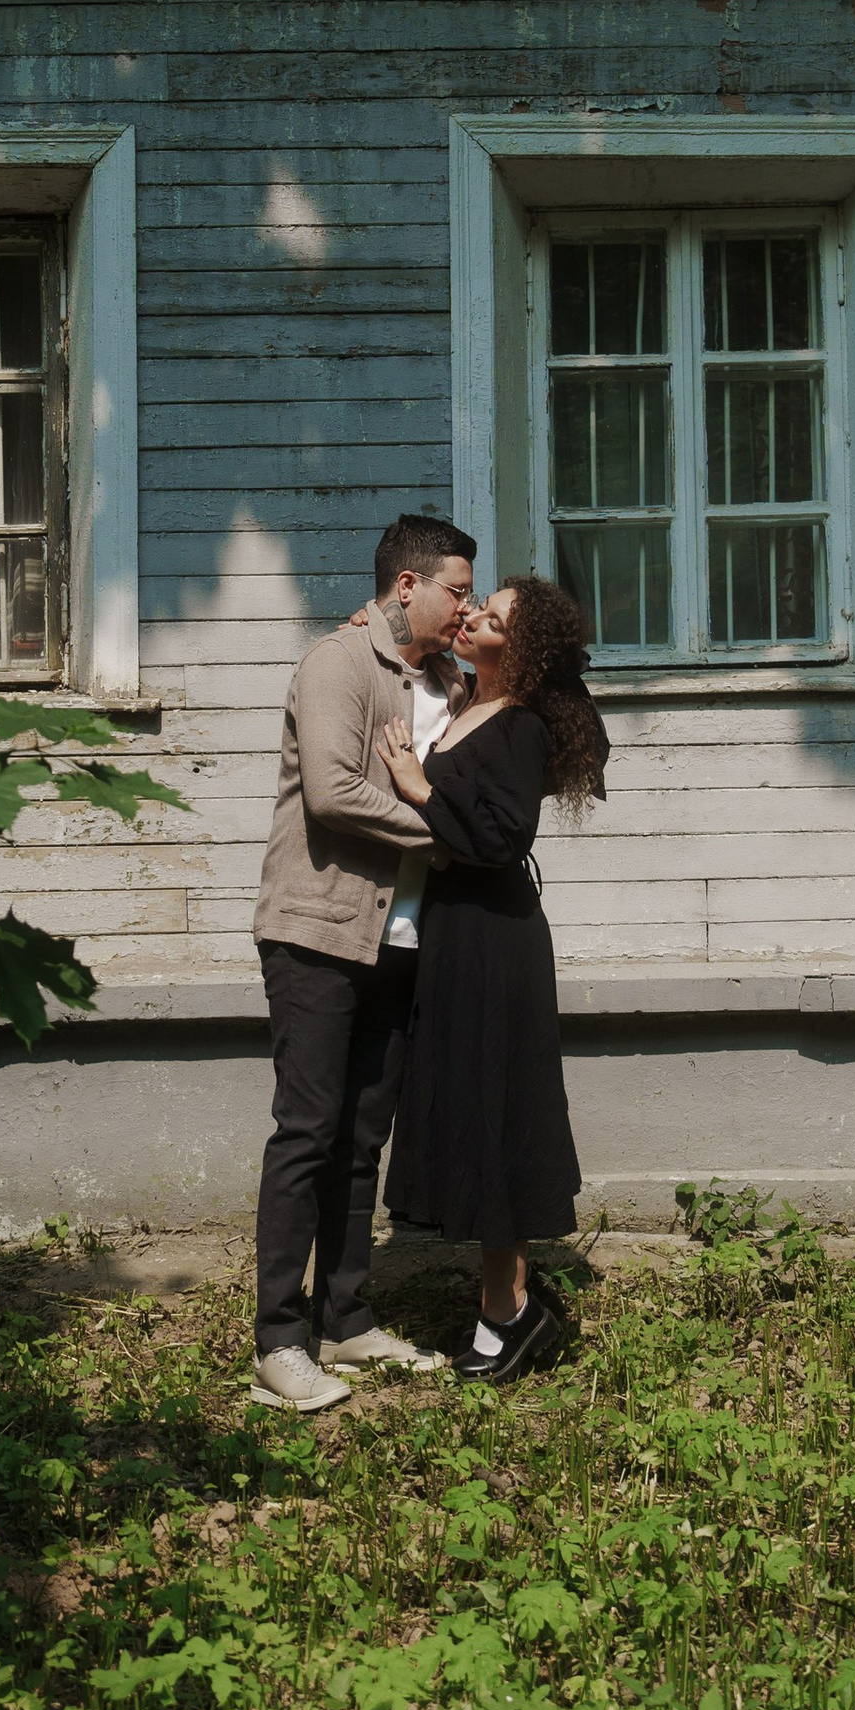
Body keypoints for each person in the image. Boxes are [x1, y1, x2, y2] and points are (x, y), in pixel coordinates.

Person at [246, 510, 477, 1412]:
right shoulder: (339, 664)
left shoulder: (449, 683)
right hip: (318, 929)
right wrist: (448, 836)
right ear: (405, 586)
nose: (464, 606)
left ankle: (346, 1318)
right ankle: (278, 1340)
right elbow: (336, 790)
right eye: (456, 590)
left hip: (404, 937)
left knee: (361, 1140)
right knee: (306, 1132)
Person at [378, 575, 609, 1384]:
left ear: (523, 647)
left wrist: (418, 785)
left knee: (492, 1111)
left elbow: (502, 835)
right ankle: (513, 1291)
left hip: (494, 942)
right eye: (479, 605)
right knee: (470, 1104)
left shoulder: (517, 726)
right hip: (454, 933)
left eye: (495, 615)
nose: (474, 615)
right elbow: (402, 653)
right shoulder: (465, 701)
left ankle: (503, 1315)